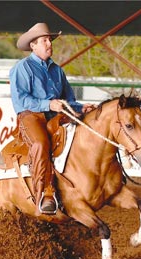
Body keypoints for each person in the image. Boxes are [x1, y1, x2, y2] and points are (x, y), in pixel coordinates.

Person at [10, 22, 95, 216]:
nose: (49, 43)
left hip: (55, 115)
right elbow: (21, 100)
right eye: (45, 40)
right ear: (33, 45)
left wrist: (81, 107)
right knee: (40, 143)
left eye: (50, 40)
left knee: (80, 134)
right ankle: (44, 194)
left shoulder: (57, 70)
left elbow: (67, 100)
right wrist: (48, 104)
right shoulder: (22, 68)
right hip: (31, 116)